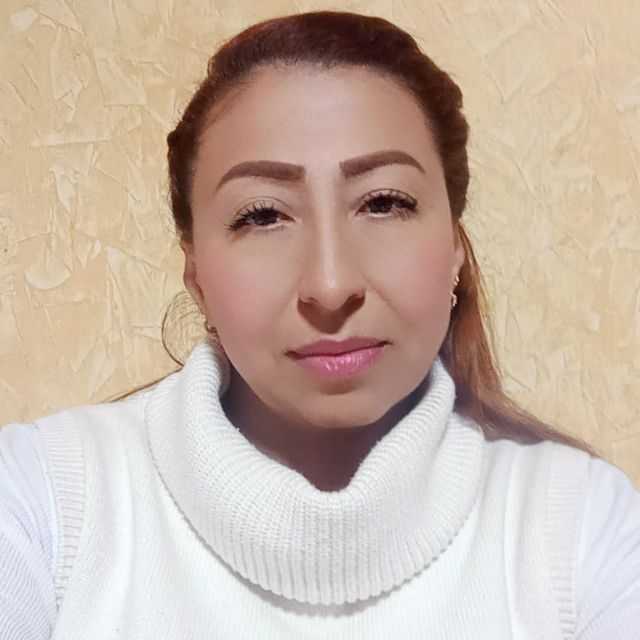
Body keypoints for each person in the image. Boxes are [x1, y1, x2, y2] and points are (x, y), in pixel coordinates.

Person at [1, 10, 638, 639]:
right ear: (195, 274)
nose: (331, 286)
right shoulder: (42, 500)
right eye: (262, 215)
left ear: (454, 248)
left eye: (384, 203)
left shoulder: (581, 527)